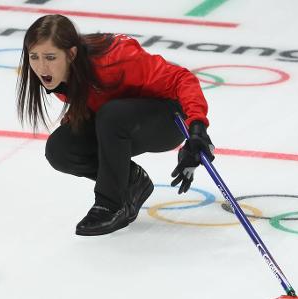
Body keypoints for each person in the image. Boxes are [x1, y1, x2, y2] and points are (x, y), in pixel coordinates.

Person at [16, 14, 214, 236]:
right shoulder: (61, 74)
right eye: (34, 57)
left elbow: (182, 79)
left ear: (71, 53)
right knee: (61, 149)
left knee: (112, 115)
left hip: (169, 118)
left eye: (50, 57)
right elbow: (96, 99)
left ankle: (111, 204)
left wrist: (197, 129)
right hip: (120, 120)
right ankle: (132, 182)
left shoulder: (117, 58)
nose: (41, 67)